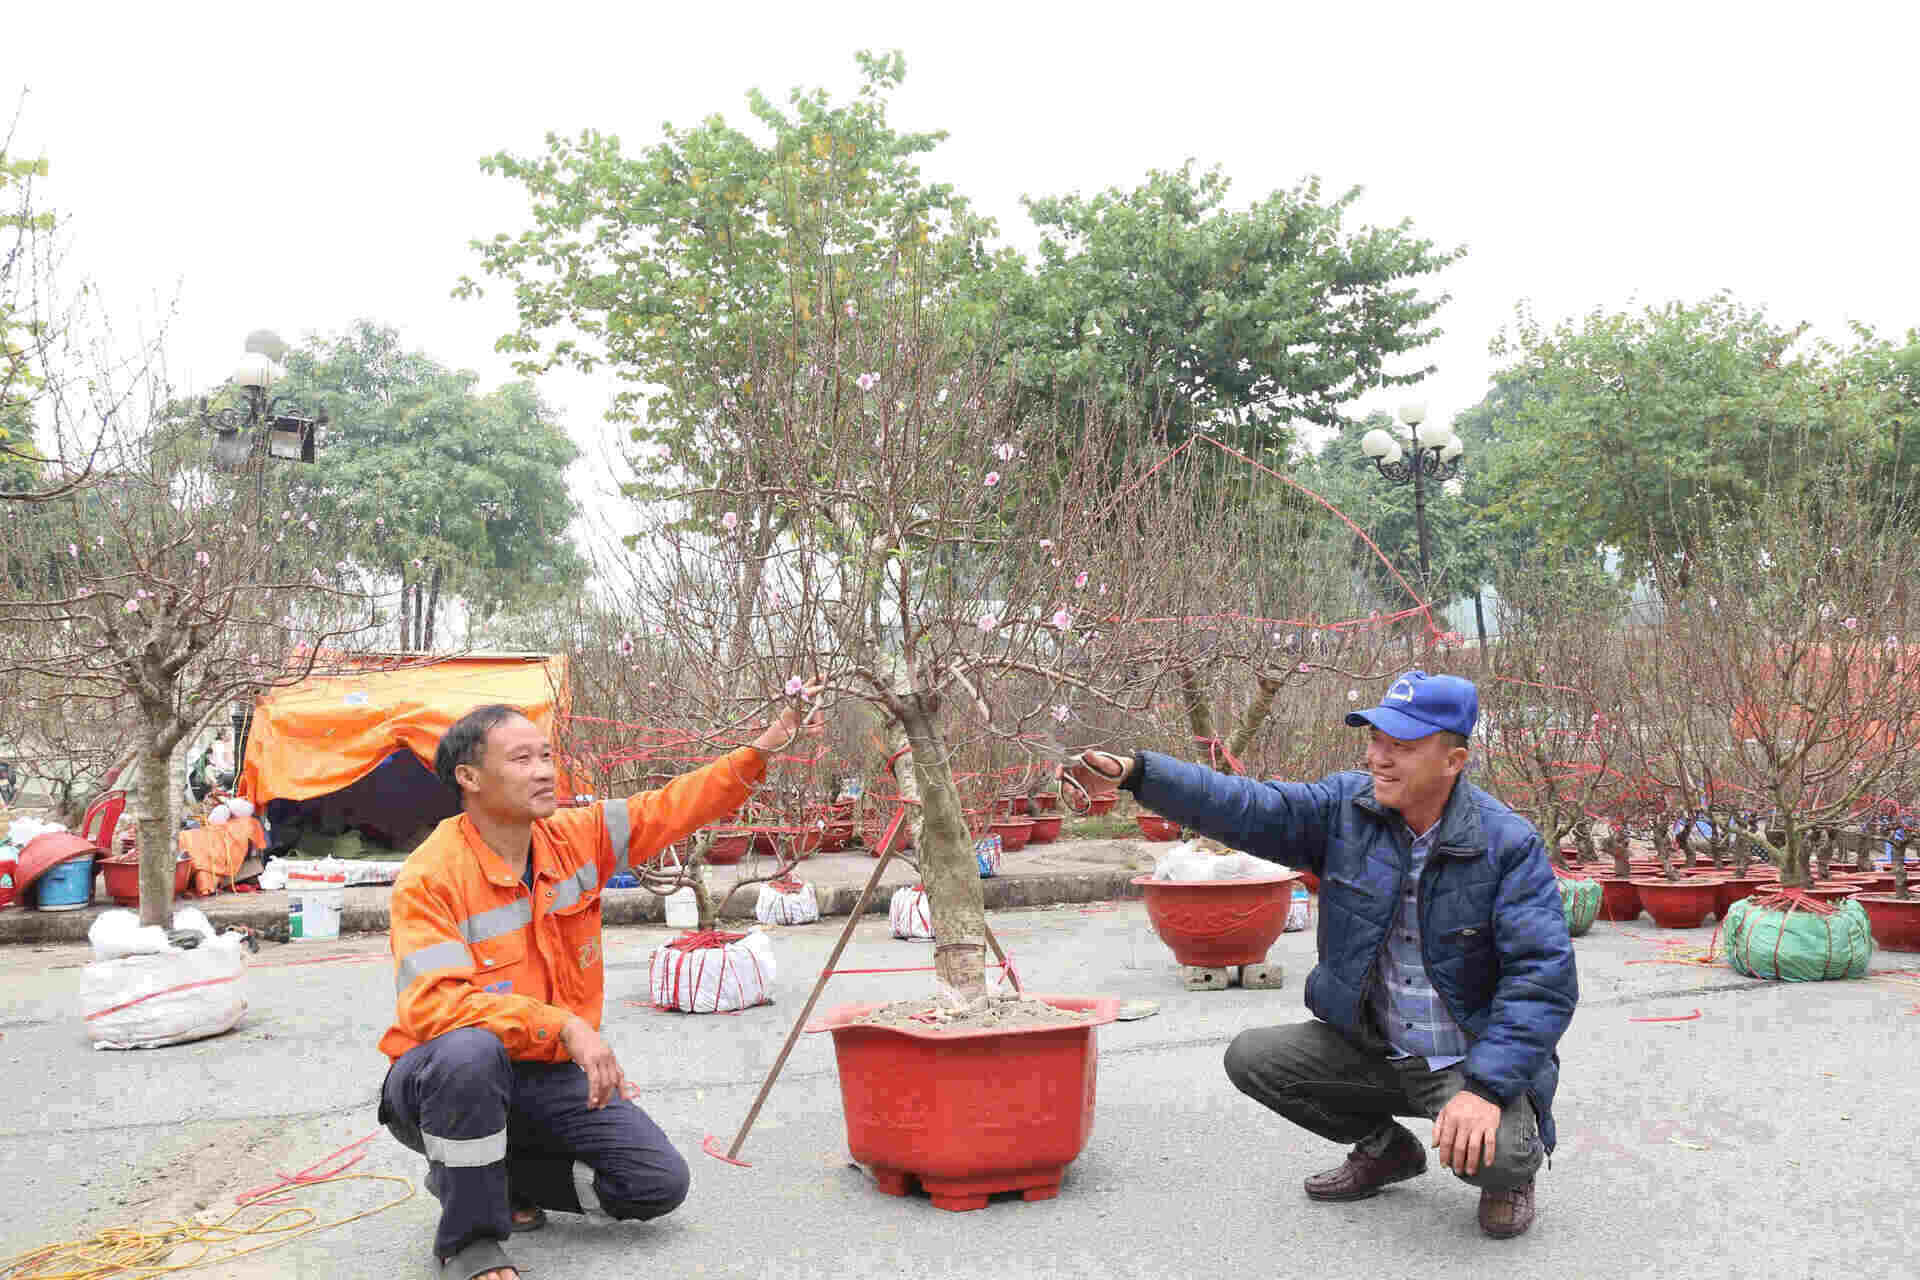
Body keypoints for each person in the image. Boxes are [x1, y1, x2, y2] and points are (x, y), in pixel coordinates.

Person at [1069, 671, 1575, 1240]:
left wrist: (1485, 1090)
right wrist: (1141, 775)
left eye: (1402, 748)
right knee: (1255, 1059)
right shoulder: (1343, 810)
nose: (1380, 759)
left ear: (1453, 761)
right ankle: (1386, 1150)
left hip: (1465, 1061)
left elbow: (1541, 982)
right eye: (1376, 740)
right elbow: (1248, 806)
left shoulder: (1507, 844)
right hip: (1377, 1049)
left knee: (1499, 1156)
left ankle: (1510, 1175)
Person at [379, 688, 824, 1280]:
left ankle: (485, 1177)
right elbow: (437, 1007)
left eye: (545, 756)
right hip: (440, 1079)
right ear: (469, 777)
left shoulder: (576, 836)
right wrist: (565, 1026)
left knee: (653, 1184)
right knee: (471, 1051)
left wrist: (767, 745)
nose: (543, 772)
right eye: (521, 760)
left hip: (542, 1069)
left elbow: (675, 805)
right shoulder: (431, 877)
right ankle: (471, 1242)